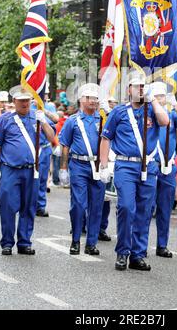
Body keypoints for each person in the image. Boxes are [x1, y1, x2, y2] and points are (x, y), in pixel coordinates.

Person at [100, 70, 169, 272]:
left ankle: (137, 255)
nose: (140, 89)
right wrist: (104, 165)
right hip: (126, 165)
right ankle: (123, 252)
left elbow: (165, 122)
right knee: (126, 208)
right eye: (136, 86)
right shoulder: (119, 112)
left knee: (144, 212)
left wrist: (153, 100)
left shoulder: (152, 110)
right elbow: (106, 138)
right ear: (128, 89)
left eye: (143, 86)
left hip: (148, 166)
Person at [0, 86, 55, 255]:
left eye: (27, 100)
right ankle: (7, 242)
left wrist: (44, 121)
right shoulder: (5, 119)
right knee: (8, 207)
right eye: (21, 101)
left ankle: (24, 242)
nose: (25, 104)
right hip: (10, 169)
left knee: (29, 207)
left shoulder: (36, 117)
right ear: (14, 102)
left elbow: (51, 137)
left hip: (31, 170)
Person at [59, 83, 105, 256]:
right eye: (89, 98)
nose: (93, 101)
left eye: (95, 98)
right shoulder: (73, 121)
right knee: (78, 204)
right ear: (81, 100)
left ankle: (91, 243)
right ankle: (76, 240)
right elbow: (65, 145)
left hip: (98, 166)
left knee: (96, 206)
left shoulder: (102, 120)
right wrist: (63, 168)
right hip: (78, 164)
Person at [152, 83, 177, 258]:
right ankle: (139, 245)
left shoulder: (172, 114)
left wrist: (174, 103)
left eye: (162, 96)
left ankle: (162, 244)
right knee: (145, 208)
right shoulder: (147, 114)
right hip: (150, 164)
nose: (160, 99)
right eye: (157, 95)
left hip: (167, 165)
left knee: (165, 208)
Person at [30, 100, 59, 217]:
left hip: (44, 147)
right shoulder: (27, 104)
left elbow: (56, 119)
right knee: (29, 178)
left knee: (42, 179)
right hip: (31, 148)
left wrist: (43, 111)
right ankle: (27, 204)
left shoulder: (49, 106)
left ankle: (40, 206)